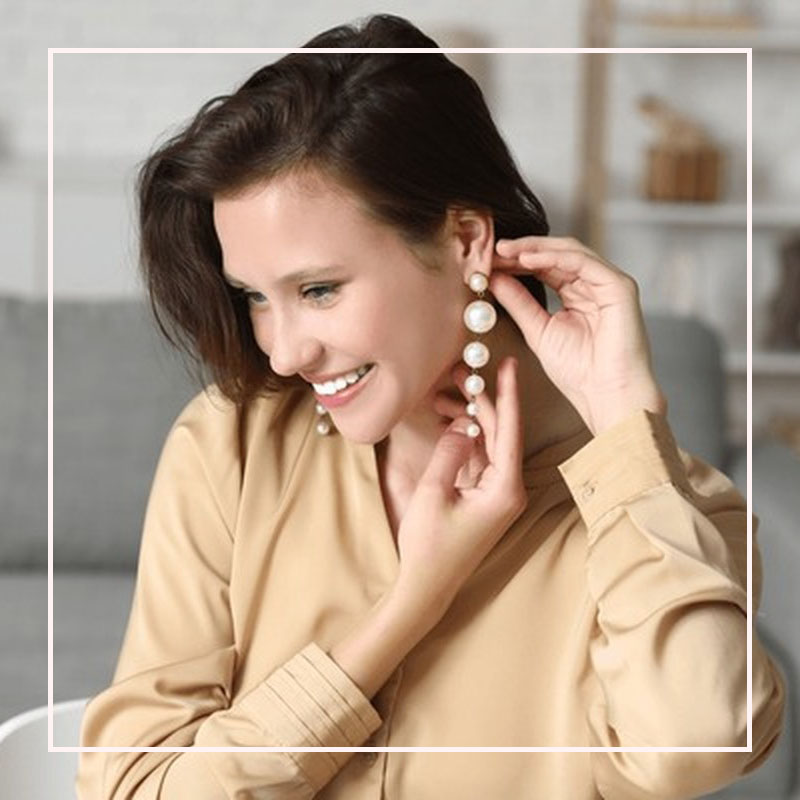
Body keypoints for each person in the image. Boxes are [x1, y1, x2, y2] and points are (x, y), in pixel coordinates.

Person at [76, 14, 785, 800]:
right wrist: (409, 605)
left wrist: (623, 422)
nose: (282, 353)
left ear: (466, 240)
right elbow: (132, 788)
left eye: (319, 289)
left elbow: (697, 746)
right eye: (255, 298)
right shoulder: (230, 447)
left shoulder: (671, 513)